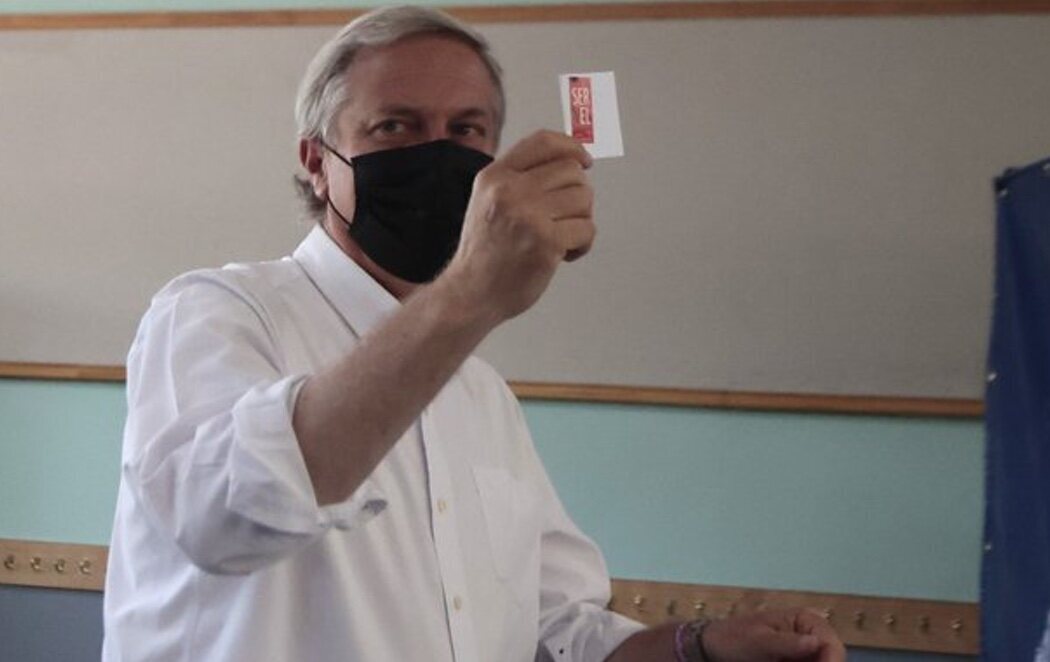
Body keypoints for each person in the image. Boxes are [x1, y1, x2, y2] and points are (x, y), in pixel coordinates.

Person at [102, 6, 846, 661]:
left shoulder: (481, 395)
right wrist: (469, 295)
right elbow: (223, 516)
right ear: (316, 162)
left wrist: (705, 647)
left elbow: (561, 633)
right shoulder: (215, 313)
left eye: (465, 131)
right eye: (395, 126)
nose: (437, 153)